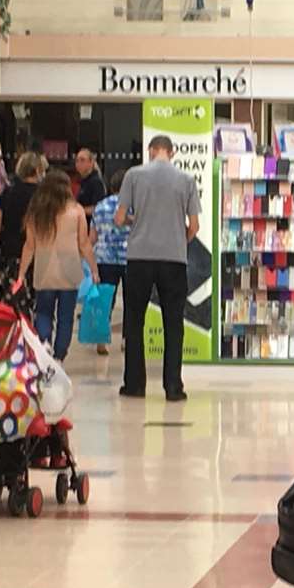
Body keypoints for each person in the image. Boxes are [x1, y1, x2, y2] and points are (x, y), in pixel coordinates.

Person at [115, 135, 200, 402]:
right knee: (173, 324)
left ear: (151, 151)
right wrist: (177, 237)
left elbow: (119, 218)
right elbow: (194, 226)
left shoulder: (133, 175)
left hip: (139, 256)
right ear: (172, 153)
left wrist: (136, 221)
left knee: (134, 321)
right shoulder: (186, 180)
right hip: (174, 258)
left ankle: (134, 385)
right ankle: (173, 387)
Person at [20, 172, 97, 362]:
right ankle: (59, 357)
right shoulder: (76, 210)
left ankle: (44, 346)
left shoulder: (36, 211)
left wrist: (21, 274)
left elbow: (29, 246)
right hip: (69, 269)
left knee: (44, 312)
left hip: (44, 269)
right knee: (65, 317)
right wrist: (94, 269)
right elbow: (84, 243)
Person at [0, 151, 46, 295]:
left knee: (9, 293)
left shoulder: (8, 191)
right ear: (37, 170)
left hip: (9, 249)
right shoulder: (42, 195)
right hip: (35, 252)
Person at [91, 170, 129, 356]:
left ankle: (101, 340)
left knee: (105, 300)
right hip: (129, 258)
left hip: (104, 259)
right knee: (131, 300)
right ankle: (126, 339)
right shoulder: (132, 207)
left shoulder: (100, 206)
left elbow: (93, 236)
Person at [74, 147, 107, 220]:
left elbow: (97, 208)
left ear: (91, 162)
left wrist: (77, 210)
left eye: (82, 160)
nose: (78, 163)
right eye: (77, 160)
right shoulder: (83, 181)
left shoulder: (96, 182)